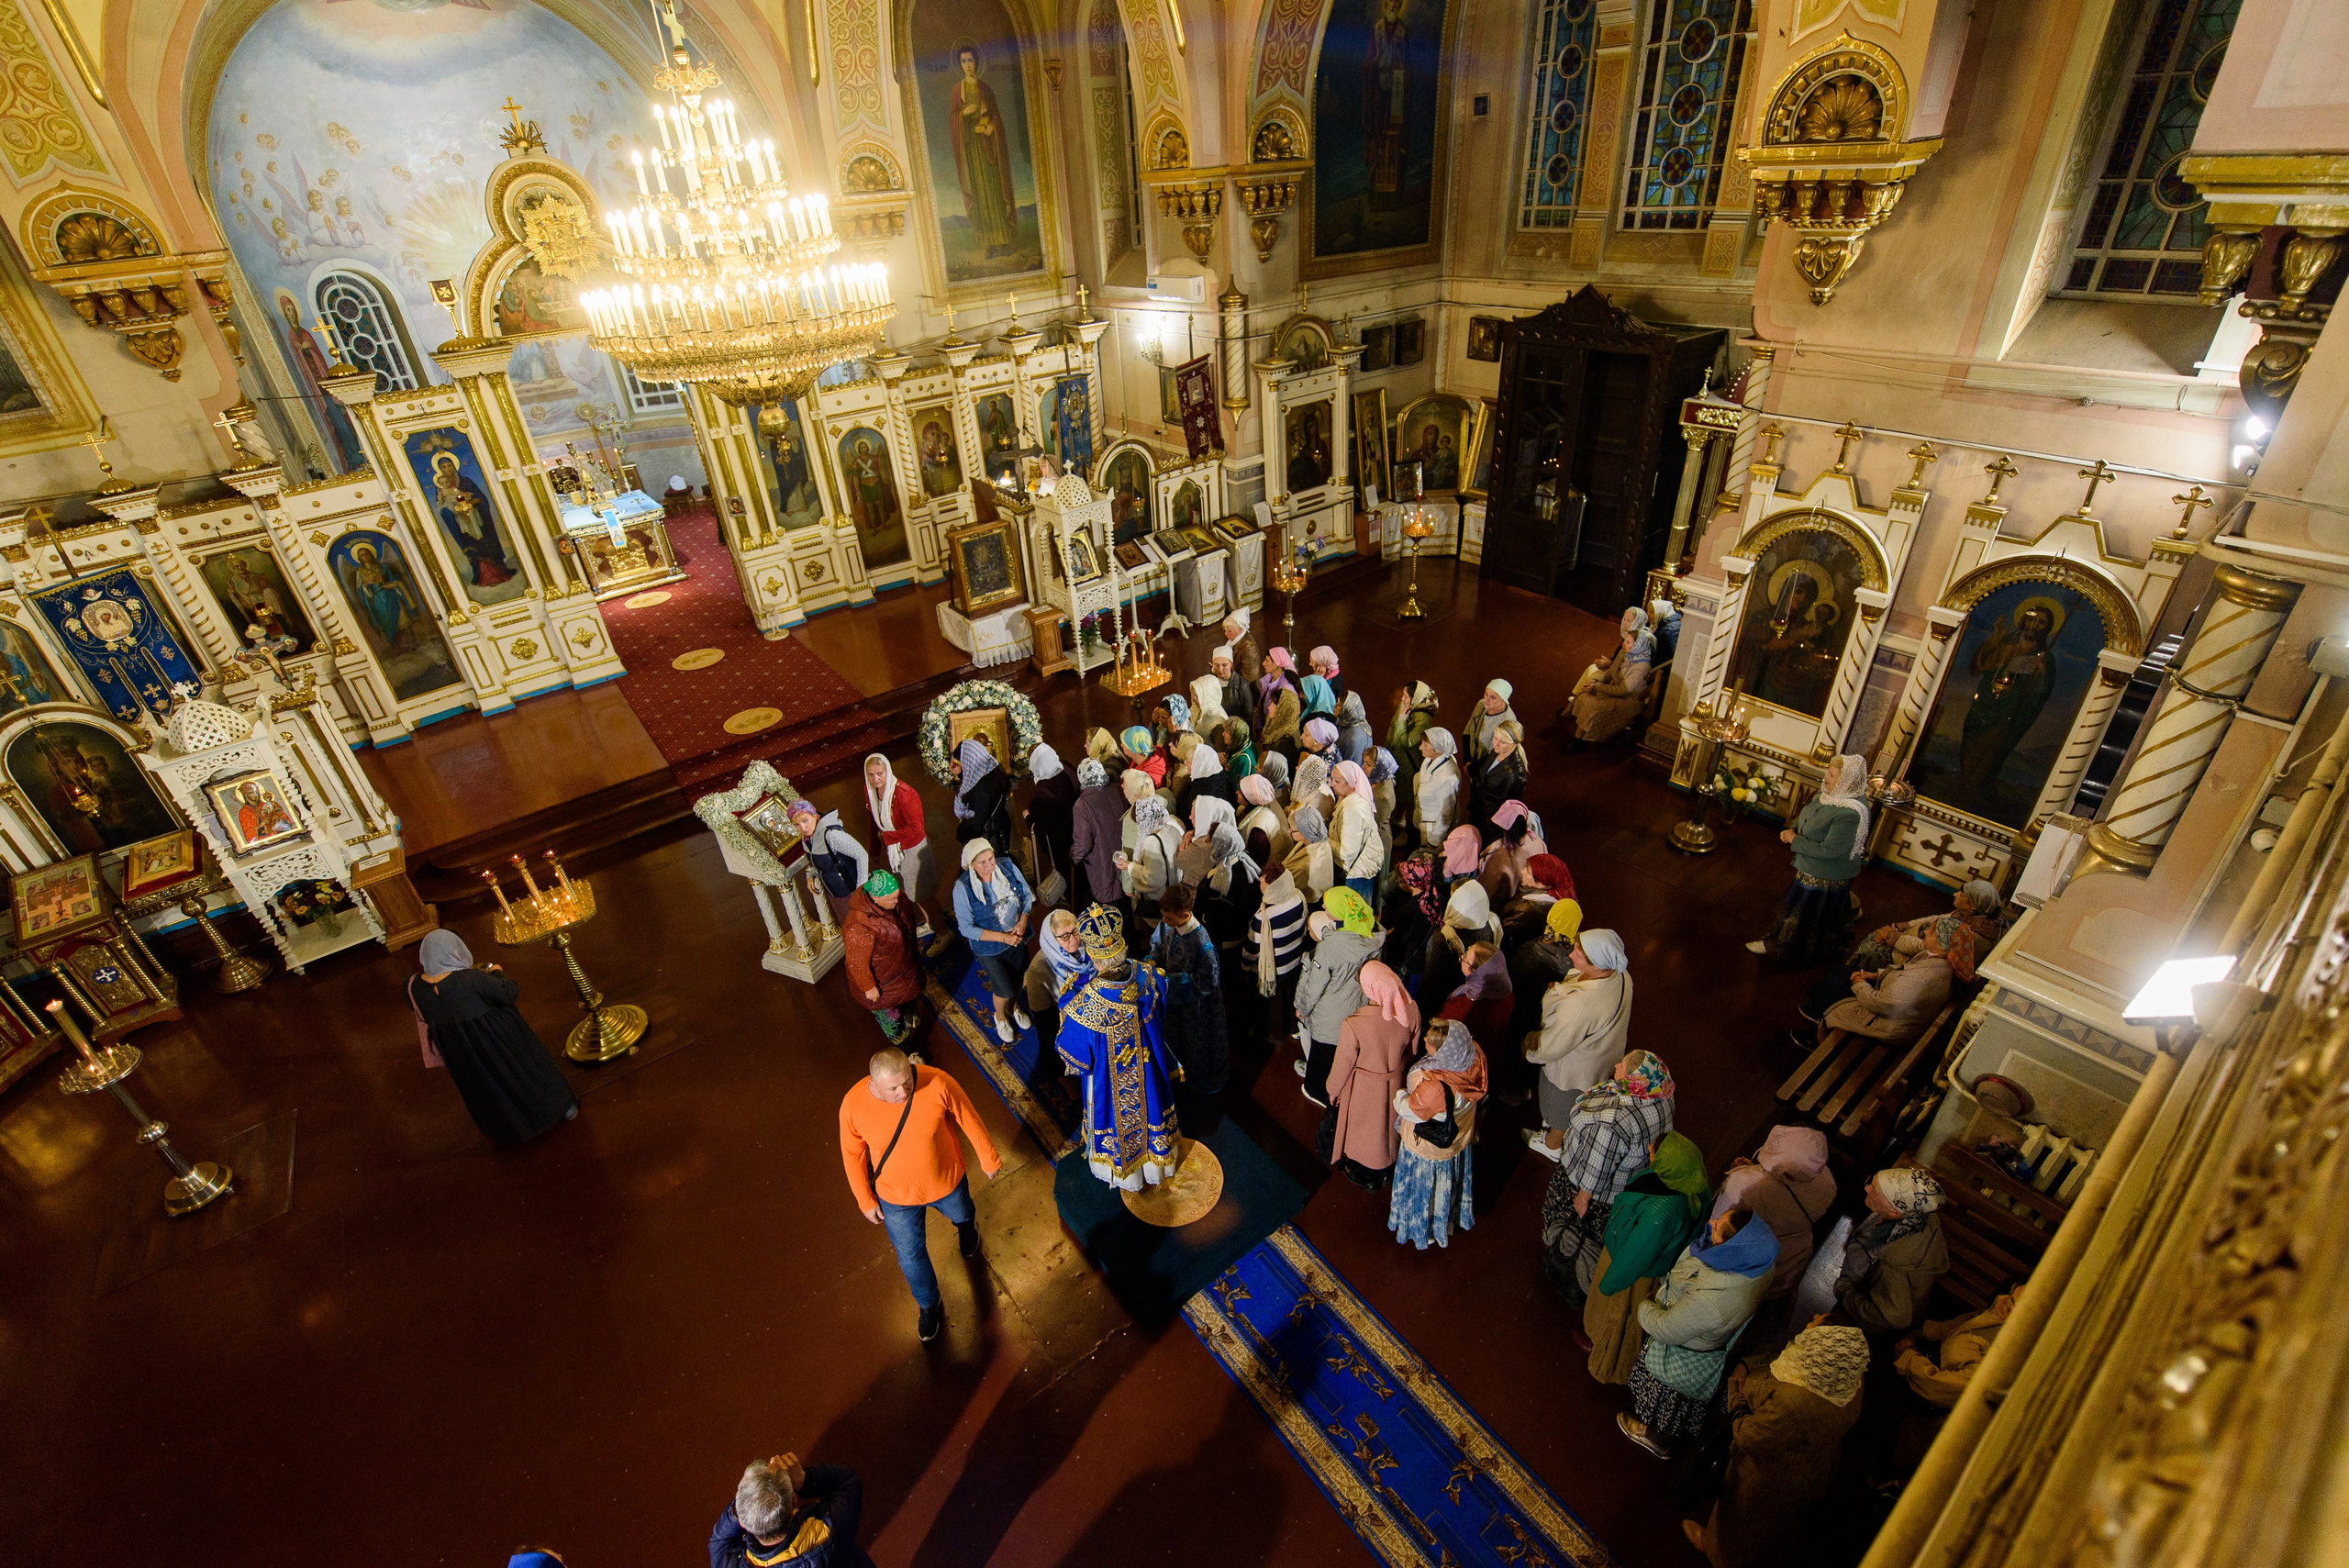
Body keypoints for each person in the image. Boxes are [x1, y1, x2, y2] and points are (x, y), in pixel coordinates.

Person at [838, 1046, 1002, 1340]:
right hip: (896, 1197)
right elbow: (852, 1155)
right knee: (910, 1256)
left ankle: (967, 1229)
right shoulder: (852, 1105)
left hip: (946, 1181)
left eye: (907, 1083)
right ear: (873, 1084)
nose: (903, 1092)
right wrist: (864, 1199)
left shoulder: (938, 1081)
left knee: (963, 1212)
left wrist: (988, 1156)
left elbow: (968, 1116)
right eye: (893, 1088)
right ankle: (928, 1304)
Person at [1685, 1322, 1869, 1567]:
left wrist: (1736, 1396)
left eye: (1815, 1329)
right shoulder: (1847, 1377)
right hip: (1809, 1472)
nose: (1812, 1319)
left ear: (1819, 1351)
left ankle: (1717, 1552)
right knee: (1775, 1530)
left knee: (1744, 1523)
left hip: (1770, 1476)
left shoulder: (1794, 1403)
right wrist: (1749, 1364)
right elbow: (1784, 1354)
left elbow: (1749, 1436)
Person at [1620, 1206, 1778, 1460]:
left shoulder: (1715, 1302)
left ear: (1731, 1249)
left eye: (1717, 1228)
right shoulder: (1759, 1262)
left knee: (1665, 1400)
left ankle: (1657, 1438)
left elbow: (1666, 1329)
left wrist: (1645, 1305)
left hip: (1682, 1352)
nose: (1711, 1222)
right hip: (1701, 1340)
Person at [406, 929, 576, 1143]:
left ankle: (510, 1131)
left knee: (487, 1089)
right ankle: (561, 1108)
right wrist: (497, 971)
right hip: (499, 1040)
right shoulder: (470, 979)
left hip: (462, 1054)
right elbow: (508, 991)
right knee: (525, 1071)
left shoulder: (413, 987)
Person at [1056, 905, 1183, 1189]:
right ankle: (1157, 1161)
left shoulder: (1085, 1003)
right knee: (1153, 1102)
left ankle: (1129, 1173)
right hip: (1149, 1068)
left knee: (1113, 1113)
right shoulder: (1149, 975)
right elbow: (1161, 1008)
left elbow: (1075, 1055)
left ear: (1091, 954)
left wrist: (1066, 1004)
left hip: (1110, 1081)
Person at [1542, 1051, 1678, 1306]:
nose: (1616, 1066)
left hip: (1592, 1191)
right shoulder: (1662, 1093)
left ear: (1634, 1082)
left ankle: (1567, 1266)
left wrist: (1583, 1198)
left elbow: (1597, 1166)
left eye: (1622, 1069)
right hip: (1625, 1185)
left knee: (1572, 1229)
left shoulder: (1613, 1120)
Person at [1584, 1132, 1710, 1384]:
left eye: (1654, 1152)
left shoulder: (1660, 1211)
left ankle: (1607, 1363)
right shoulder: (1691, 1183)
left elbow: (1636, 1254)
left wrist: (1609, 1282)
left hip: (1633, 1271)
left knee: (1620, 1313)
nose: (1650, 1152)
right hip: (1649, 1264)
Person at [1746, 752, 1871, 963]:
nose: (1826, 778)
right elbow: (1809, 816)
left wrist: (1795, 840)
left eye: (1832, 775)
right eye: (1828, 773)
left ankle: (1781, 949)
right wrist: (1793, 829)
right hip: (1813, 865)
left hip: (1825, 874)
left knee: (1802, 916)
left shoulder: (1850, 813)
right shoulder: (1829, 794)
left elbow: (1829, 850)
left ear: (1846, 782)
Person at [1525, 929, 1633, 1160]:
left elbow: (1549, 1047)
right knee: (1574, 1104)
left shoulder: (1579, 1006)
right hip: (1599, 1061)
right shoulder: (1622, 976)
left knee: (1558, 1109)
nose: (1571, 954)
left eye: (1580, 954)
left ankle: (1552, 1144)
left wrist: (1528, 1045)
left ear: (1597, 966)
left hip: (1572, 1071)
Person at [1389, 1018, 1486, 1249]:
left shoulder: (1434, 1085)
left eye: (1430, 1041)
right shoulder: (1474, 1054)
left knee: (1427, 1193)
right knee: (1446, 1187)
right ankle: (1447, 1221)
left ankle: (1426, 1231)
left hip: (1429, 1147)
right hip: (1458, 1136)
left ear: (1443, 1052)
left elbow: (1410, 1110)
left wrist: (1400, 1095)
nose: (1424, 1039)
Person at [1711, 1126, 1836, 1299]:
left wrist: (1744, 1173)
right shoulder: (1827, 1179)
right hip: (1792, 1261)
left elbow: (1721, 1225)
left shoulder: (1743, 1183)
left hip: (1747, 1265)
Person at [1327, 959, 1415, 1189]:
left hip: (1364, 1088)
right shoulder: (1411, 1009)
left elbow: (1342, 1066)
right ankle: (1388, 1169)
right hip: (1397, 1080)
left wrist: (1332, 1090)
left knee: (1365, 1133)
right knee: (1389, 1128)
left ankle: (1367, 1175)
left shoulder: (1355, 1023)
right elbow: (1413, 1050)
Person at [1810, 915, 1961, 1046]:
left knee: (1826, 987)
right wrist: (1875, 975)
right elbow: (1903, 972)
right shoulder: (1940, 958)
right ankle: (1822, 1011)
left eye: (1932, 932)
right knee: (1836, 971)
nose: (1926, 931)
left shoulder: (1923, 978)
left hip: (1885, 1024)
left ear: (1943, 944)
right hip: (1895, 1004)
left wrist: (1860, 984)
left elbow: (1882, 1004)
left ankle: (1818, 1031)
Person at [1835, 1167, 1951, 1334]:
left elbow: (1895, 1317)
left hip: (1861, 1322)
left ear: (1895, 1210)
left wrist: (1845, 1291)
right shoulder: (1911, 1213)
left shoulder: (1896, 1264)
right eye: (1872, 1183)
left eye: (1874, 1190)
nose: (1867, 1188)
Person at [708, 1452, 873, 1568]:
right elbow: (847, 1482)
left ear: (742, 1520)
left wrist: (752, 1501)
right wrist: (804, 1480)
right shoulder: (833, 1528)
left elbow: (719, 1540)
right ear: (794, 1500)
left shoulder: (726, 1560)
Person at [1295, 908, 1382, 1106]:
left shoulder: (1321, 953)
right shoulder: (1363, 945)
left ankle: (1316, 1091)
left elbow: (1311, 989)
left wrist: (1302, 1009)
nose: (1309, 932)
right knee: (1340, 1054)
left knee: (1320, 1054)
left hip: (1327, 1016)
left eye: (1310, 929)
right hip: (1352, 1009)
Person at [952, 840, 1034, 1045]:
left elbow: (1025, 894)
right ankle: (1001, 1017)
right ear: (971, 864)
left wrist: (1023, 920)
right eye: (982, 862)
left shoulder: (1006, 866)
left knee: (1018, 980)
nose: (990, 865)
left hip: (1017, 938)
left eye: (991, 859)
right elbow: (966, 928)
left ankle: (1014, 1008)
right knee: (1004, 988)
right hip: (990, 948)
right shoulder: (963, 887)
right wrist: (1003, 937)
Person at [1151, 884, 1227, 1099]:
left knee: (1196, 1048)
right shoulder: (1167, 924)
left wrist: (1170, 980)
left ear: (1184, 915)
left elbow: (1208, 981)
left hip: (1196, 1009)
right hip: (1172, 1003)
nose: (1164, 922)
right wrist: (1151, 960)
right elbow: (1157, 946)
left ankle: (1197, 1088)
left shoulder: (1201, 941)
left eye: (1169, 918)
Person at [1892, 1285, 2019, 1409]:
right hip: (1920, 1370)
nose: (2002, 1299)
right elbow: (1955, 1326)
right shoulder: (1996, 1315)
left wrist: (1908, 1356)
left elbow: (1938, 1388)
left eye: (2012, 1302)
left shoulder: (2000, 1354)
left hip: (1933, 1413)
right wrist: (1921, 1334)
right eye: (2012, 1291)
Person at [863, 754, 937, 946]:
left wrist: (887, 838)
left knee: (922, 894)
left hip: (912, 848)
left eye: (880, 774)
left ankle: (943, 930)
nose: (875, 779)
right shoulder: (870, 791)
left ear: (888, 771)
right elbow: (874, 823)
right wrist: (874, 850)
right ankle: (931, 923)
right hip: (895, 849)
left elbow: (916, 829)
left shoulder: (905, 793)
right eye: (871, 775)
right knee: (913, 893)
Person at [843, 871, 923, 1044]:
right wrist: (868, 986)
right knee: (892, 1021)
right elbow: (856, 962)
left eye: (897, 896)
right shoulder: (859, 924)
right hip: (883, 983)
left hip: (902, 970)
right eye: (891, 899)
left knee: (907, 1001)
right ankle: (907, 1052)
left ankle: (907, 1019)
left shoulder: (896, 900)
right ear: (875, 898)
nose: (897, 901)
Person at [1244, 852, 1308, 1049]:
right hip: (1295, 961)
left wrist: (1246, 966)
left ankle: (1276, 1034)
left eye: (1264, 883)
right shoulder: (1298, 898)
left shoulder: (1263, 916)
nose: (1260, 885)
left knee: (1274, 1005)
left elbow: (1252, 948)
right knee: (1290, 998)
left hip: (1275, 969)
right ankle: (1295, 1029)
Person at [1567, 606, 1656, 744]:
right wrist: (1596, 680)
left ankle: (1579, 740)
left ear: (1637, 646)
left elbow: (1624, 690)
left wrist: (1598, 687)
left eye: (1628, 642)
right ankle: (1580, 736)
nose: (1623, 645)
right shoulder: (1624, 653)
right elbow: (1609, 673)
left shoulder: (1642, 666)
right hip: (1615, 690)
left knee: (1592, 704)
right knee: (1585, 695)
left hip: (1629, 700)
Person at [1419, 880, 1502, 1017]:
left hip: (1444, 1002)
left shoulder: (1444, 939)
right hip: (1471, 995)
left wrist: (1421, 1009)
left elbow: (1429, 984)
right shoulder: (1490, 926)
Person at [788, 800, 869, 926]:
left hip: (852, 893)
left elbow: (862, 855)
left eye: (805, 820)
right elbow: (818, 862)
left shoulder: (832, 835)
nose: (803, 827)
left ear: (815, 815)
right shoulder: (807, 839)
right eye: (797, 825)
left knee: (863, 930)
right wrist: (811, 875)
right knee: (850, 930)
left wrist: (860, 891)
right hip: (836, 895)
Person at [1022, 906, 1091, 1048]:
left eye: (1074, 931)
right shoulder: (1038, 968)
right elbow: (1042, 1015)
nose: (1073, 939)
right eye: (1065, 936)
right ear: (1053, 939)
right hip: (1062, 1017)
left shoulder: (1087, 945)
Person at [1069, 758, 1129, 916]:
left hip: (1102, 866)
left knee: (1110, 919)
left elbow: (1082, 845)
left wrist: (1073, 857)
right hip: (1126, 859)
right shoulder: (1118, 790)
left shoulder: (1082, 804)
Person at [1117, 795, 1184, 929]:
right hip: (1177, 892)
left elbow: (1154, 879)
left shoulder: (1151, 842)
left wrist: (1129, 866)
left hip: (1161, 901)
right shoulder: (1172, 824)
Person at [1435, 940, 1513, 1052]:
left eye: (1466, 958)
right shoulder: (1505, 992)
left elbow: (1440, 1033)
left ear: (1475, 971)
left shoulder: (1465, 1007)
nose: (1462, 957)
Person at [1025, 742, 1078, 894]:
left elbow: (1042, 827)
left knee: (1067, 873)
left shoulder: (1041, 794)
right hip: (1079, 827)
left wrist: (1028, 818)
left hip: (1061, 841)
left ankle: (1070, 895)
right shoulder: (1066, 766)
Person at [1388, 682, 1441, 829]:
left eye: (1405, 696)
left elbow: (1407, 742)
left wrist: (1401, 722)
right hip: (1400, 761)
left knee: (1410, 797)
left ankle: (1408, 829)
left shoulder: (1422, 719)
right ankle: (1398, 818)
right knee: (1401, 793)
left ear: (1415, 697)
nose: (1402, 699)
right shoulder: (1407, 708)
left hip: (1410, 765)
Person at [1331, 760, 1383, 906]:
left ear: (1352, 782)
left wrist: (1325, 841)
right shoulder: (1348, 799)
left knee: (1354, 920)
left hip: (1356, 874)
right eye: (1332, 779)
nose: (1332, 784)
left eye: (1337, 781)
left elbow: (1347, 853)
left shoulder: (1353, 808)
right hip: (1358, 869)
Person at [950, 738, 1014, 854]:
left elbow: (979, 822)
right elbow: (975, 781)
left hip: (990, 837)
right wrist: (961, 773)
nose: (965, 765)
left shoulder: (983, 788)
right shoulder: (993, 770)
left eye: (964, 762)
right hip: (1001, 823)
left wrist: (968, 841)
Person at [1467, 720, 1529, 842]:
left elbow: (1506, 809)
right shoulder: (1497, 751)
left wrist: (1492, 827)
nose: (1496, 744)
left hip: (1491, 822)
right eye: (1495, 738)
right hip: (1480, 810)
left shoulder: (1515, 774)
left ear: (1514, 744)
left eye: (1503, 742)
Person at [1478, 801, 1548, 903]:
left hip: (1508, 906)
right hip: (1535, 901)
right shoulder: (1539, 842)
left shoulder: (1499, 853)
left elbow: (1486, 889)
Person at [1238, 773, 1292, 867]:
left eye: (1241, 792)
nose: (1236, 792)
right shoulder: (1263, 801)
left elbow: (1255, 863)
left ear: (1250, 797)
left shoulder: (1258, 830)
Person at [1462, 678, 1519, 770]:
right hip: (1473, 763)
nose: (1487, 700)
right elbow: (1468, 732)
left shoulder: (1507, 722)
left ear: (1503, 700)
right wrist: (1467, 761)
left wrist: (1472, 769)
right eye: (1486, 694)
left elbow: (1497, 754)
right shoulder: (1481, 705)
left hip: (1488, 769)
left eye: (1493, 697)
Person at [1285, 803, 1336, 900]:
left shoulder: (1305, 865)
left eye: (1292, 830)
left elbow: (1287, 885)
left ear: (1305, 833)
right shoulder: (1321, 842)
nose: (1289, 831)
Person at [1210, 642, 1258, 729]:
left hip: (1234, 730)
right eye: (1216, 665)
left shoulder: (1242, 685)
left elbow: (1248, 717)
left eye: (1224, 665)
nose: (1220, 669)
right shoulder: (1208, 682)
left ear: (1231, 664)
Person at [1220, 609, 1264, 686]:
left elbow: (1249, 679)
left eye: (1229, 631)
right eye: (1225, 630)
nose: (1225, 634)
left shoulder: (1249, 649)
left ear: (1240, 630)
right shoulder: (1233, 640)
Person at [1335, 691, 1375, 766]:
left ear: (1348, 709)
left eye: (1339, 705)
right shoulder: (1345, 723)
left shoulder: (1355, 738)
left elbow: (1352, 768)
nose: (1334, 706)